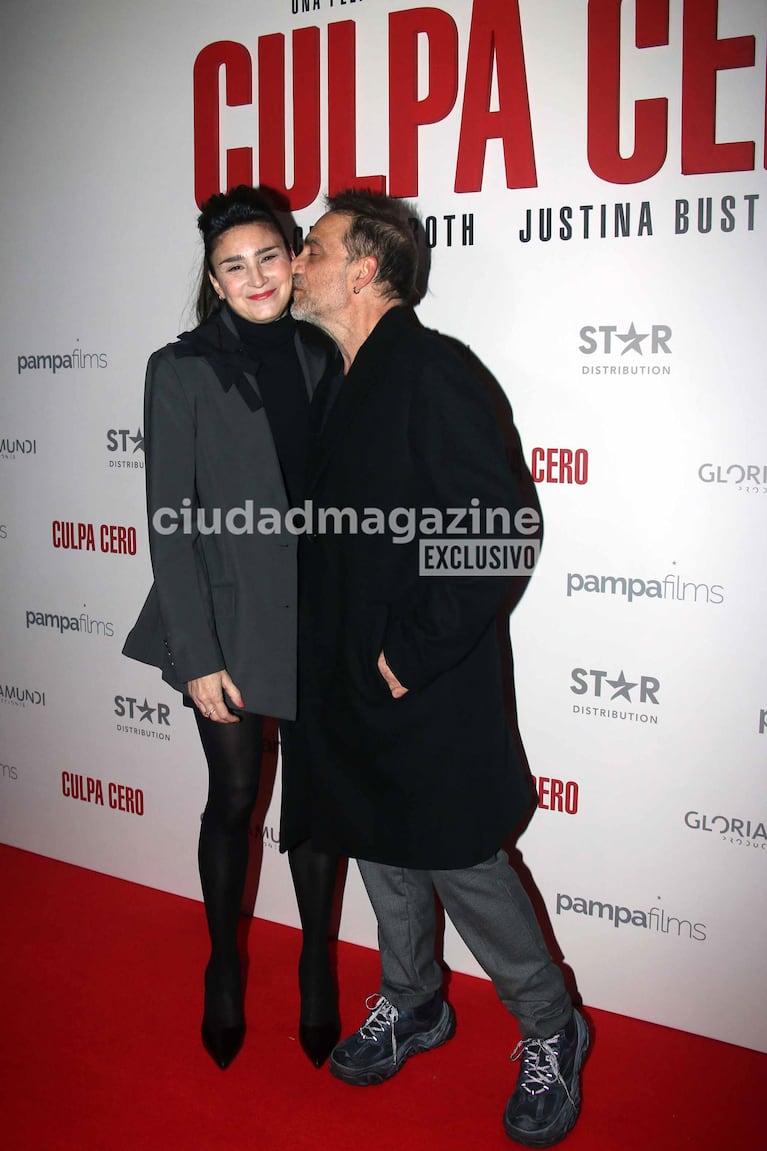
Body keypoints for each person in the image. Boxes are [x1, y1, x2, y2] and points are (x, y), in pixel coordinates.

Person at [289, 190, 589, 1148]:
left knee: (460, 859)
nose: (297, 260)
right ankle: (414, 999)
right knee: (378, 844)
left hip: (422, 681)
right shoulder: (334, 375)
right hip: (344, 684)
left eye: (315, 245)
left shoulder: (431, 371)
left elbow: (502, 532)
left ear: (364, 268)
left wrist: (405, 655)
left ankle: (552, 1025)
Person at [123, 186, 341, 1071]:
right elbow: (168, 520)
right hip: (228, 616)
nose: (254, 277)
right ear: (213, 280)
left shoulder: (326, 353)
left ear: (294, 260)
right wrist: (199, 655)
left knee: (317, 808)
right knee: (237, 799)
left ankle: (318, 968)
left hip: (320, 620)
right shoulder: (178, 369)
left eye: (267, 258)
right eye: (232, 265)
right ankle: (225, 965)